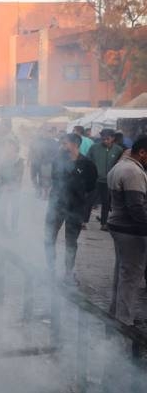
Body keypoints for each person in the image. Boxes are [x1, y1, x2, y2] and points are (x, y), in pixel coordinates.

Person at [45, 133, 98, 281]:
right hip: (56, 206)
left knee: (71, 242)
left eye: (65, 144)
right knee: (49, 237)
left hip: (75, 208)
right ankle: (50, 268)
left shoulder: (87, 164)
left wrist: (83, 206)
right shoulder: (57, 160)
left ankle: (68, 272)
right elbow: (54, 180)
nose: (62, 146)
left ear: (75, 144)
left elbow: (91, 187)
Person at [106, 137, 147, 325]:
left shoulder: (120, 166)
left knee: (121, 273)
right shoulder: (132, 171)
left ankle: (115, 313)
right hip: (130, 231)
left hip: (118, 227)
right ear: (142, 152)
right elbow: (136, 208)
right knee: (131, 276)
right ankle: (124, 321)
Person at [88, 129, 124, 228]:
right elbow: (88, 161)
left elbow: (120, 164)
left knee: (106, 203)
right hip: (95, 180)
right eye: (103, 139)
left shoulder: (118, 150)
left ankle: (104, 224)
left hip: (108, 181)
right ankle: (83, 221)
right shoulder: (94, 148)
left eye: (107, 139)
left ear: (113, 138)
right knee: (89, 201)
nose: (105, 141)